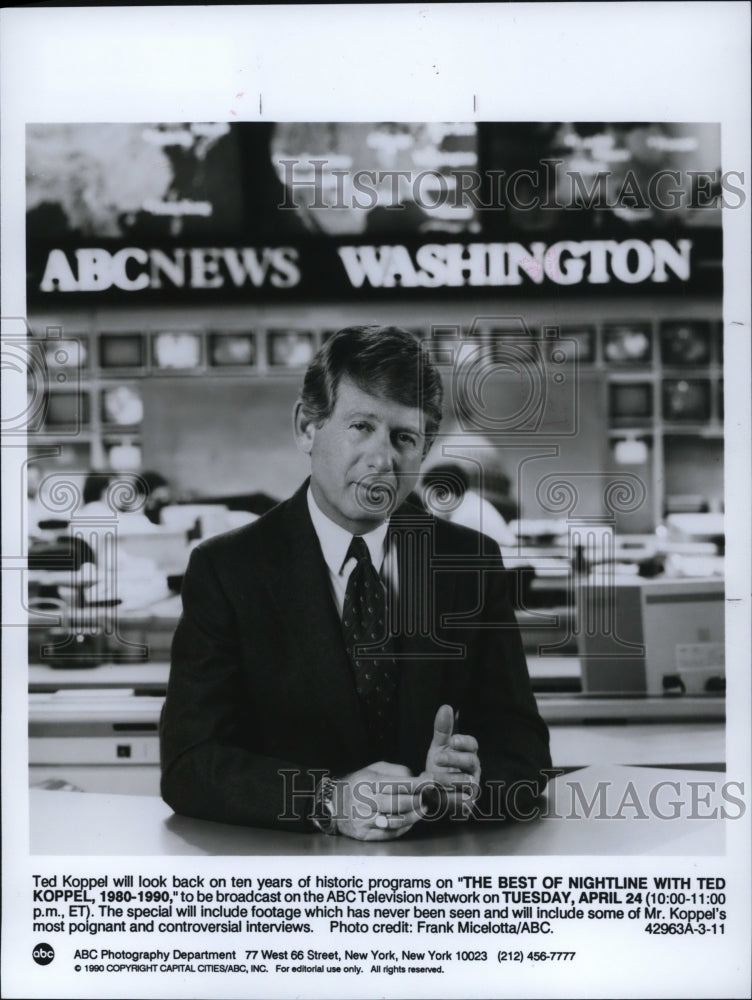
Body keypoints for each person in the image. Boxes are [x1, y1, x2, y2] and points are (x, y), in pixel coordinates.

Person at [160, 325, 551, 841]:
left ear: (424, 450)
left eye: (404, 438)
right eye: (361, 426)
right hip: (290, 872)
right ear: (307, 427)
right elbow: (190, 763)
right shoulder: (227, 570)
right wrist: (327, 800)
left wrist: (466, 786)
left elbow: (524, 751)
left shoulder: (470, 563)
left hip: (436, 868)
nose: (382, 459)